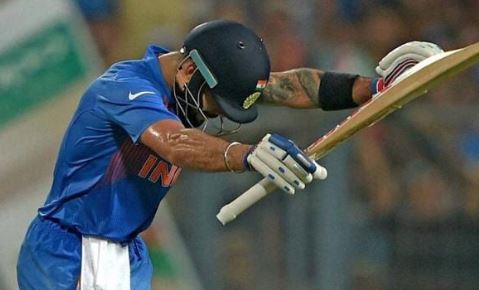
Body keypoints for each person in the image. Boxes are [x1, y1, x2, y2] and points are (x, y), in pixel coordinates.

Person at [16, 20, 443, 290]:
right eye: (215, 103)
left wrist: (371, 88)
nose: (214, 114)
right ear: (187, 71)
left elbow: (289, 86)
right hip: (76, 250)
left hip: (122, 250)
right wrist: (244, 154)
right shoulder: (125, 88)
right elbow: (174, 143)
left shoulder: (199, 80)